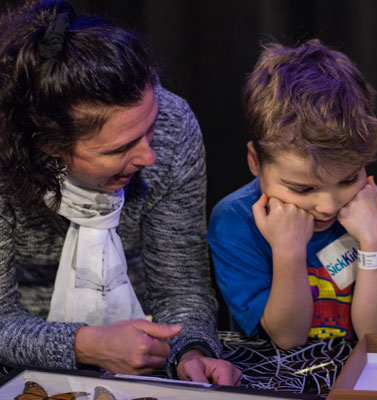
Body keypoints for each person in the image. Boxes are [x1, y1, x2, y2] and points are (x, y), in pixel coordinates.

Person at [0, 0, 241, 385]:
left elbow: (182, 286)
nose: (149, 155)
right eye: (119, 149)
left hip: (142, 340)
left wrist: (191, 350)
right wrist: (83, 344)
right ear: (49, 145)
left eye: (150, 127)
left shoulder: (173, 126)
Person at [207, 39, 377, 350]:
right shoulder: (235, 221)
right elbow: (287, 338)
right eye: (302, 189)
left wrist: (375, 242)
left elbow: (376, 333)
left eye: (348, 180)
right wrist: (288, 251)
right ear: (255, 162)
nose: (327, 207)